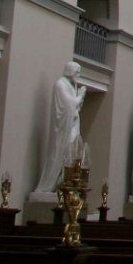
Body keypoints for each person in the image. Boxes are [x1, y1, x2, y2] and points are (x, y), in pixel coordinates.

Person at [34, 61, 87, 194]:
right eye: (77, 72)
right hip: (64, 128)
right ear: (70, 71)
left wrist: (78, 94)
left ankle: (66, 182)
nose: (78, 75)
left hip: (73, 125)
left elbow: (75, 107)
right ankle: (51, 186)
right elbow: (69, 104)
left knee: (73, 154)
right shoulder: (60, 84)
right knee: (62, 154)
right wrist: (80, 95)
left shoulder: (71, 85)